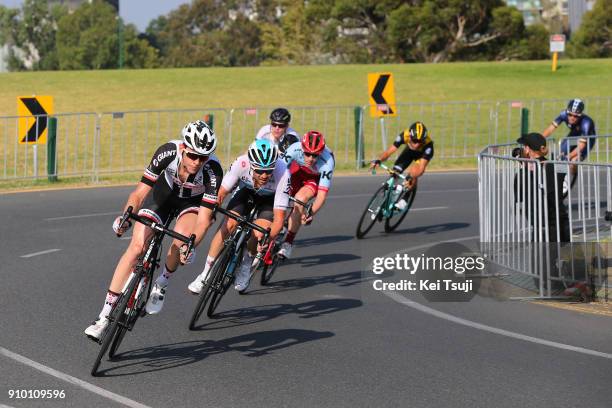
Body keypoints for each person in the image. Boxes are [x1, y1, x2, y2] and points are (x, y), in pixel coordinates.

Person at [84, 120, 223, 341]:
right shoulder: (167, 152)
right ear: (183, 149)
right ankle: (103, 317)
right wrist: (126, 216)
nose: (198, 162)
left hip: (190, 205)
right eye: (193, 156)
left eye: (203, 157)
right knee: (136, 247)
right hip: (161, 197)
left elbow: (205, 220)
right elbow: (139, 194)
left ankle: (163, 282)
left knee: (180, 242)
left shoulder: (213, 171)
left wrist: (191, 243)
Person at [188, 139, 290, 294]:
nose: (264, 175)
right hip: (246, 192)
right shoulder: (242, 163)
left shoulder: (283, 173)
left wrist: (267, 240)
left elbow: (279, 218)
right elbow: (221, 193)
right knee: (228, 224)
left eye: (269, 171)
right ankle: (205, 273)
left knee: (259, 234)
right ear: (251, 165)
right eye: (259, 170)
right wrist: (213, 210)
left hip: (269, 200)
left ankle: (246, 264)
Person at [276, 130, 335, 259]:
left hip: (313, 180)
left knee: (300, 200)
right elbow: (278, 172)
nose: (310, 159)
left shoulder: (328, 161)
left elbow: (321, 196)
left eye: (315, 155)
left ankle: (288, 242)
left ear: (321, 153)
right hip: (298, 173)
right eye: (307, 154)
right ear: (302, 148)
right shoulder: (294, 149)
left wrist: (310, 213)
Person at [514, 132, 570, 243]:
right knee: (567, 256)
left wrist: (524, 168)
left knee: (542, 258)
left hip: (543, 223)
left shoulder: (524, 174)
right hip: (560, 218)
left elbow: (519, 195)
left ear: (527, 149)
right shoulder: (556, 166)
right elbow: (564, 190)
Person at [370, 121, 434, 210]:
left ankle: (405, 199)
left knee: (413, 173)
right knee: (395, 172)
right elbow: (389, 152)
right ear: (410, 136)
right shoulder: (405, 135)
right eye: (415, 141)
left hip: (421, 156)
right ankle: (388, 197)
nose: (417, 145)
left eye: (420, 142)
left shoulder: (428, 145)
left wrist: (411, 177)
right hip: (409, 152)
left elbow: (421, 168)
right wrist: (379, 160)